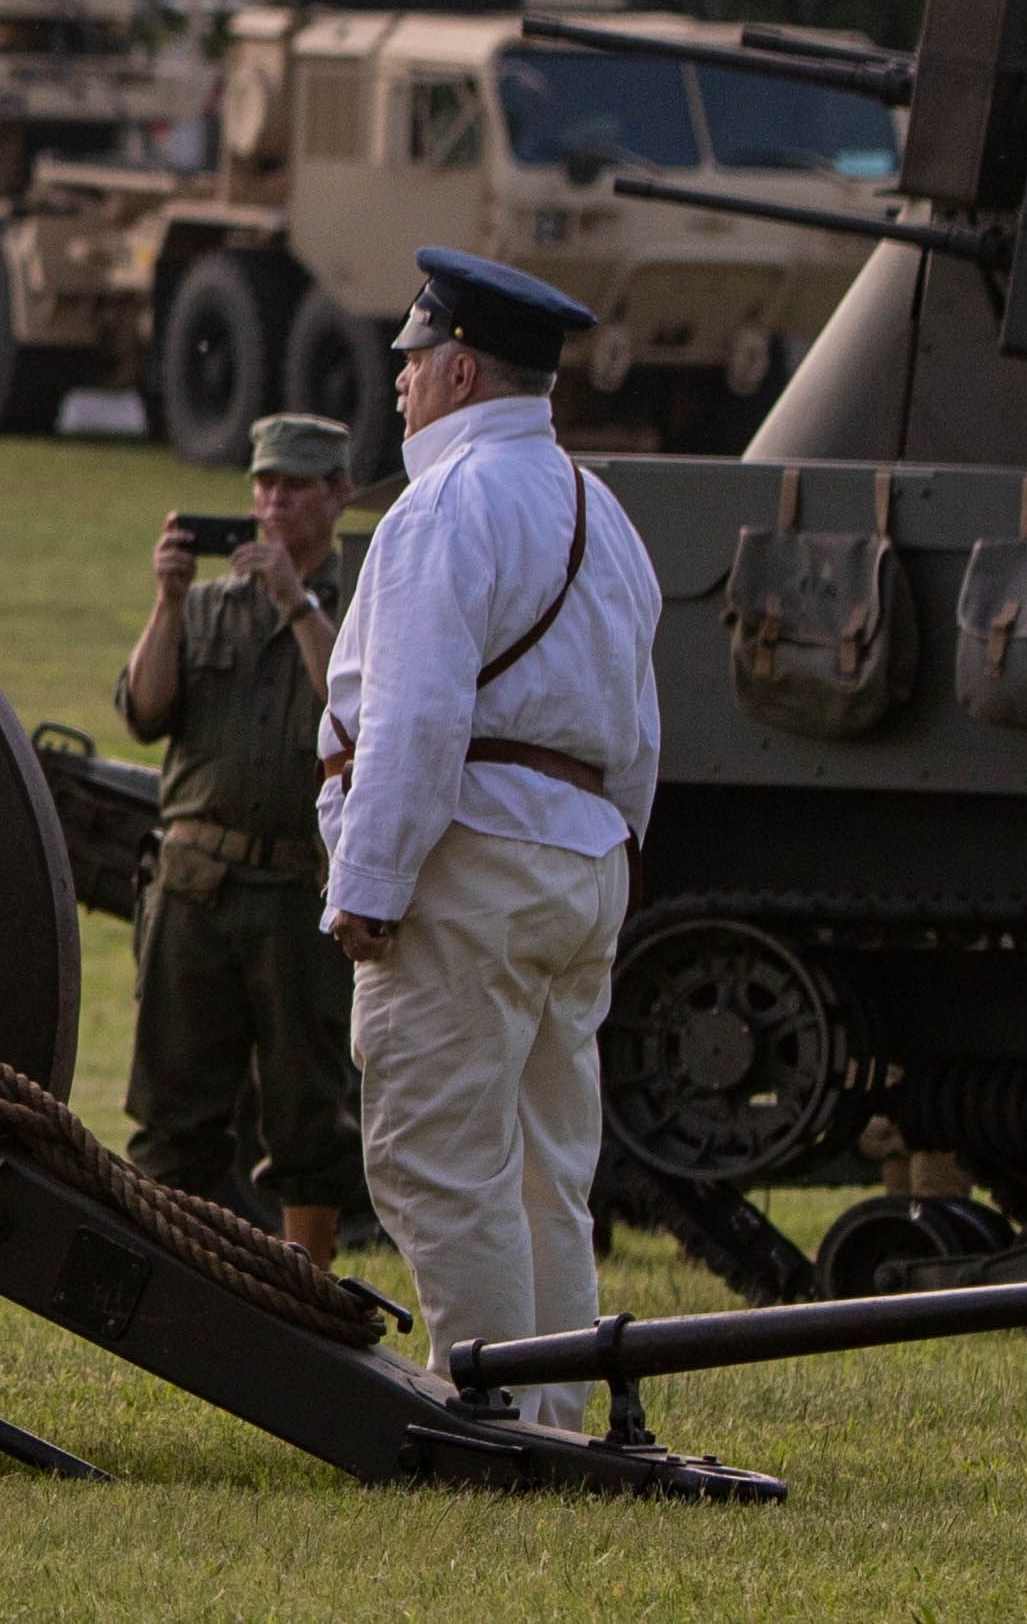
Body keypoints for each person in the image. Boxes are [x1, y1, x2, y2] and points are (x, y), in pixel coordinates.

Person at [317, 247, 662, 1427]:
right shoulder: (598, 508)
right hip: (580, 859)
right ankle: (554, 1419)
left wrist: (366, 882)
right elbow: (640, 724)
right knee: (541, 1175)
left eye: (411, 362)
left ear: (458, 367)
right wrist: (606, 847)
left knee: (437, 1159)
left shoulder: (443, 507)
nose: (400, 384)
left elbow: (413, 716)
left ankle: (491, 1416)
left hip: (468, 859)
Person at [117, 410, 367, 1268]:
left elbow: (357, 711)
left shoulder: (362, 610)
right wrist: (168, 599)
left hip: (299, 891)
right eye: (262, 486)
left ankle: (307, 1286)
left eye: (292, 488)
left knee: (308, 1113)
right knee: (171, 1111)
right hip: (193, 885)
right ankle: (164, 1282)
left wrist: (296, 605)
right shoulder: (208, 606)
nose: (271, 505)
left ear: (335, 494)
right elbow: (144, 711)